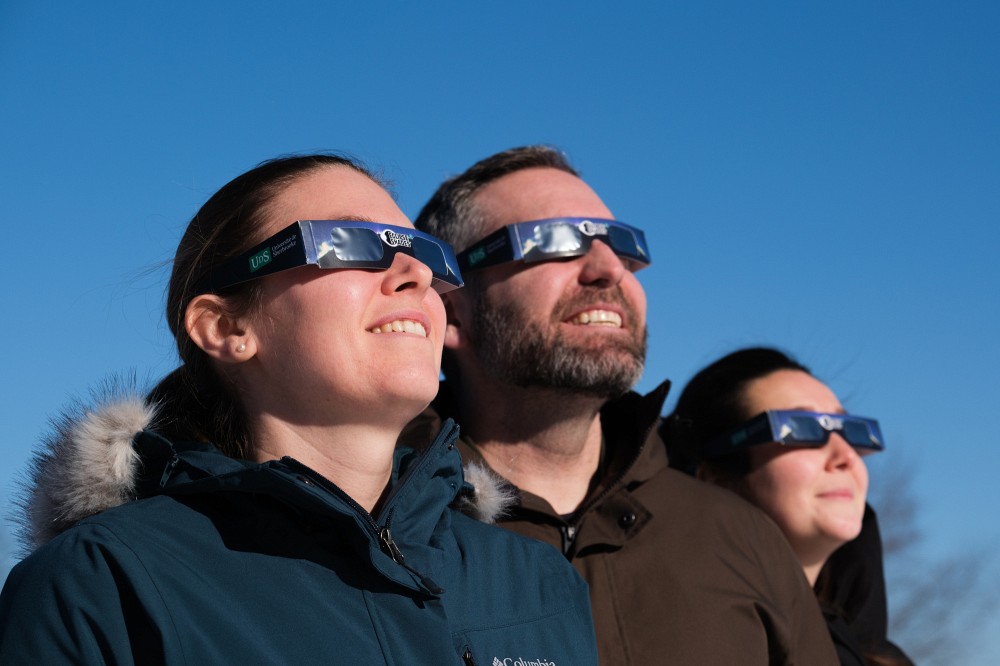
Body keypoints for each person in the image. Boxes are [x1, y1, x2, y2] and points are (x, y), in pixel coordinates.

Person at [0, 154, 599, 665]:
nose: (416, 273)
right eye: (353, 244)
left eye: (427, 255)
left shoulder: (537, 582)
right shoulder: (102, 584)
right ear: (228, 326)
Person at [404, 145, 838, 665]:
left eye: (623, 246)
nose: (609, 268)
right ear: (453, 311)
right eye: (556, 241)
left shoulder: (741, 538)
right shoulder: (382, 528)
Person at [664, 346, 914, 665]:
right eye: (802, 430)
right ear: (713, 477)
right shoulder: (667, 637)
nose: (846, 456)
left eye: (850, 431)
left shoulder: (881, 658)